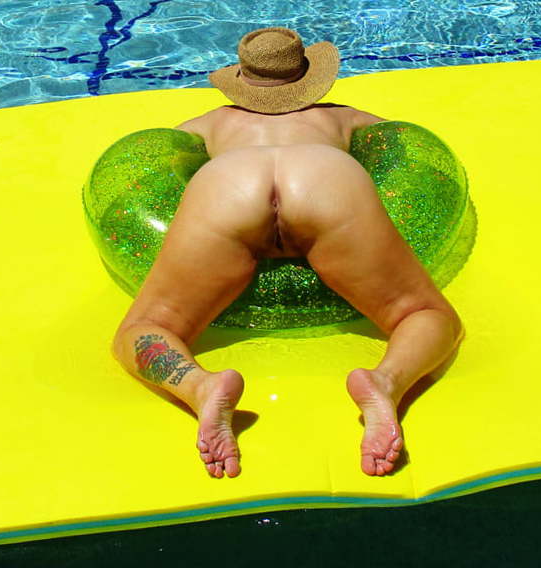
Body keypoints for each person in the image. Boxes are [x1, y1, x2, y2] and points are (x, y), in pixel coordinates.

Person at [111, 27, 463, 478]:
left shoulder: (214, 121)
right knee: (422, 312)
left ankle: (200, 387)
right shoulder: (340, 115)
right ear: (310, 78)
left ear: (240, 79)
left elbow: (156, 157)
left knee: (145, 327)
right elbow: (402, 144)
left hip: (228, 182)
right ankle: (385, 382)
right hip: (325, 176)